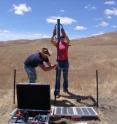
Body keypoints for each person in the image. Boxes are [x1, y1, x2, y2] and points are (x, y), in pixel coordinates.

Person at [51, 27, 70, 97]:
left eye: (63, 38)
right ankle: (57, 92)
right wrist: (53, 35)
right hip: (59, 62)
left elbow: (68, 40)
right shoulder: (58, 44)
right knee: (58, 78)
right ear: (59, 39)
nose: (62, 38)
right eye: (61, 38)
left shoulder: (66, 44)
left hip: (65, 62)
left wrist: (64, 33)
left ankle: (65, 89)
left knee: (65, 77)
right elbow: (51, 41)